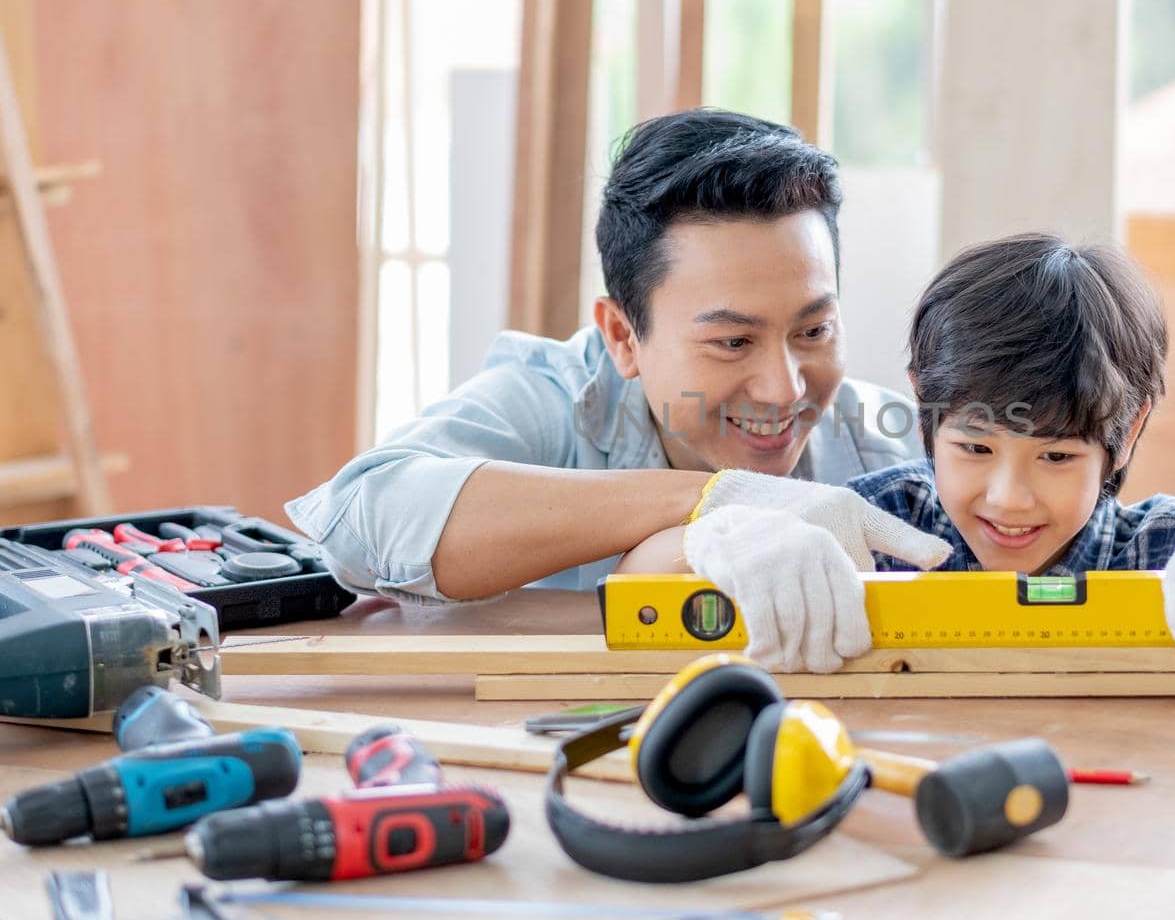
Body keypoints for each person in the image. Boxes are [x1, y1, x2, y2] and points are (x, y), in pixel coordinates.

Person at [621, 234, 1175, 844]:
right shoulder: (866, 530)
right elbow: (633, 588)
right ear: (924, 407)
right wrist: (719, 534)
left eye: (1057, 456)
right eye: (973, 449)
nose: (1009, 496)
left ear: (1129, 428)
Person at [286, 109, 950, 627]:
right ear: (622, 336)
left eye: (814, 329)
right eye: (732, 343)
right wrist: (716, 500)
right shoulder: (554, 405)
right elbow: (361, 514)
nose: (785, 388)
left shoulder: (880, 444)